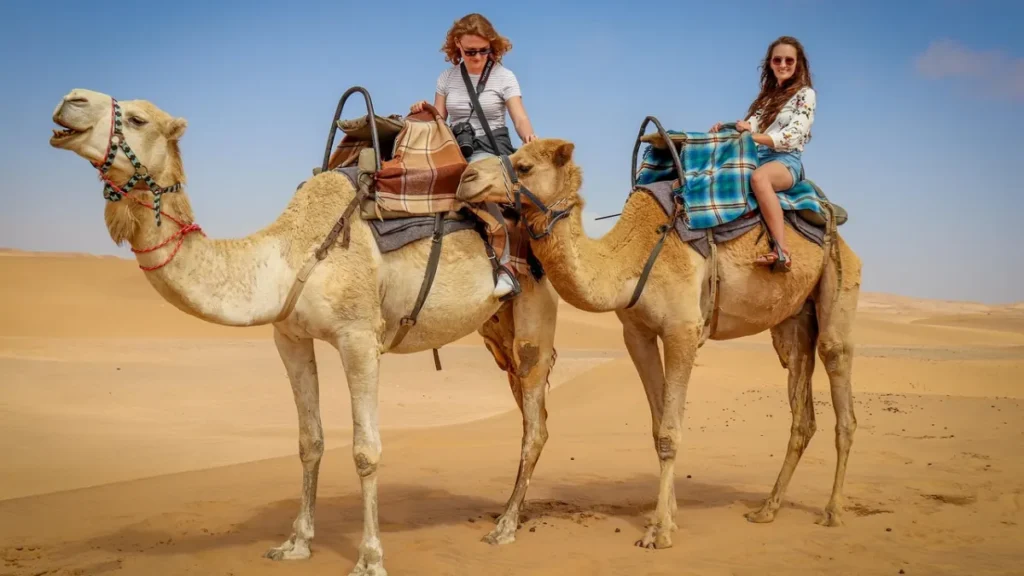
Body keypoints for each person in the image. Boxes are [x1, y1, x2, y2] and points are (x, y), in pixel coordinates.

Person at [410, 13, 538, 299]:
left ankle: (505, 267)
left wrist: (528, 136)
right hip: (456, 146)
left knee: (476, 181)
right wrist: (424, 109)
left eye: (484, 50)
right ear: (458, 46)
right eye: (470, 52)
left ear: (492, 47)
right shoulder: (447, 78)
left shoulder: (504, 77)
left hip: (491, 149)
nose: (478, 57)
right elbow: (439, 119)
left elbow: (519, 117)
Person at [711, 35, 816, 272]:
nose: (783, 65)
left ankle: (782, 251)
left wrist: (752, 137)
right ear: (770, 63)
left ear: (798, 64)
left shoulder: (805, 95)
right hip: (757, 157)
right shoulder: (766, 99)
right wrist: (726, 128)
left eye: (789, 60)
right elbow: (750, 127)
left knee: (760, 179)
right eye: (777, 60)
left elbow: (793, 134)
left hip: (786, 161)